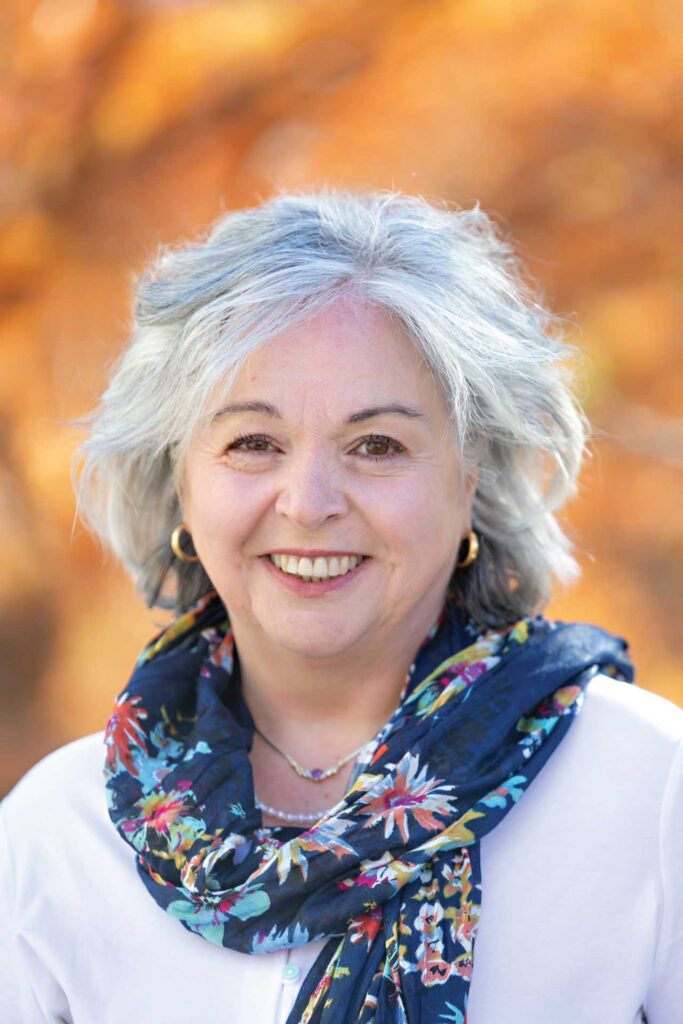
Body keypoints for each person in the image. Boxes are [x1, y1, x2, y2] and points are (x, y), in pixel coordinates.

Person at [0, 191, 680, 1024]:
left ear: (472, 478)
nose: (309, 501)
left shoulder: (648, 790)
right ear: (179, 481)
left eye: (377, 445)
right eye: (253, 442)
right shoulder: (56, 835)